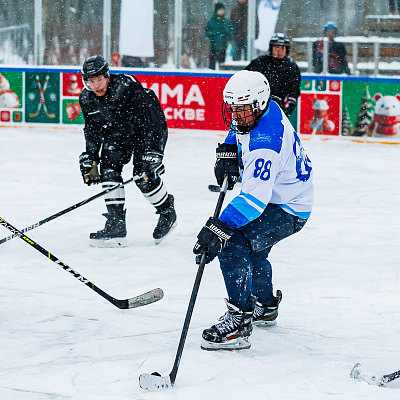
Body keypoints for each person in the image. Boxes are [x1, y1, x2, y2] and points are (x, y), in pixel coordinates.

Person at [193, 70, 314, 350]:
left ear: (259, 104)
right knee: (254, 249)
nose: (236, 115)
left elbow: (253, 200)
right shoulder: (264, 108)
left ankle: (239, 321)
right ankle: (265, 305)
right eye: (232, 108)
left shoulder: (265, 145)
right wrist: (228, 148)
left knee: (233, 242)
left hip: (287, 207)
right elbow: (239, 129)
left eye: (242, 109)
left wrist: (219, 228)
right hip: (284, 195)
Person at [78, 55, 177, 247]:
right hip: (118, 136)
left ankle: (167, 212)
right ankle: (116, 224)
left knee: (143, 176)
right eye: (91, 81)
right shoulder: (86, 98)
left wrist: (154, 152)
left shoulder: (126, 85)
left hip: (144, 133)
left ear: (107, 75)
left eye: (99, 79)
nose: (96, 85)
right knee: (108, 170)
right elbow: (92, 130)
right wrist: (90, 156)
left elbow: (153, 119)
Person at [245, 33, 301, 116]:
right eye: (276, 47)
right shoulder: (260, 62)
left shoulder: (291, 67)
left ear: (286, 50)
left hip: (279, 107)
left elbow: (294, 88)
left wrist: (291, 102)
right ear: (271, 48)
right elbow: (245, 78)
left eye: (282, 48)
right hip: (257, 106)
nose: (279, 51)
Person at [205, 3, 233, 70]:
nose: (221, 11)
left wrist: (225, 36)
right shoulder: (212, 21)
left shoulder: (226, 22)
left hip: (223, 46)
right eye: (220, 10)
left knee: (222, 64)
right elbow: (207, 32)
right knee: (212, 65)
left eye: (223, 10)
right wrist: (215, 35)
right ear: (216, 11)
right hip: (214, 47)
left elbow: (230, 31)